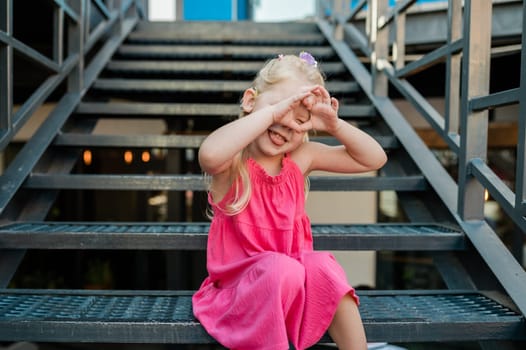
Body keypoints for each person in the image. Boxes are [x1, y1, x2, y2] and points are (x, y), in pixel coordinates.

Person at [192, 52, 387, 350]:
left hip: (295, 287)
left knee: (323, 265)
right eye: (278, 109)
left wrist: (335, 126)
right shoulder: (232, 163)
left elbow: (374, 159)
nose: (284, 124)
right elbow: (208, 155)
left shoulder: (301, 159)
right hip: (238, 294)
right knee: (281, 269)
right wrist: (270, 113)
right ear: (250, 101)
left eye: (298, 120)